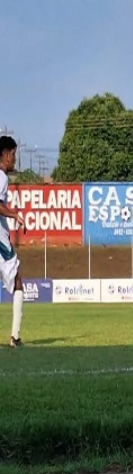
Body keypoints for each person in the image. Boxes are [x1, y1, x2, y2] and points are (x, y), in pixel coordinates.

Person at [0, 136, 25, 348]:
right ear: (5, 154)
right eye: (13, 154)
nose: (14, 159)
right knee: (17, 279)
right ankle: (15, 337)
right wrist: (14, 215)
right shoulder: (2, 177)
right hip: (0, 241)